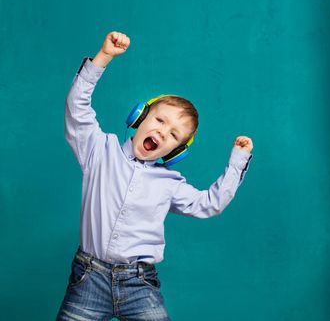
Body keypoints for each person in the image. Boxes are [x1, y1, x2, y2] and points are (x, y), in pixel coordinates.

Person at [56, 31, 254, 321]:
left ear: (176, 151)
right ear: (140, 118)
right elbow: (77, 109)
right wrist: (104, 57)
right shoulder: (99, 150)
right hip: (89, 277)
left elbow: (211, 204)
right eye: (159, 120)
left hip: (139, 283)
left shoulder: (171, 184)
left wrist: (237, 161)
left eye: (174, 134)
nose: (162, 131)